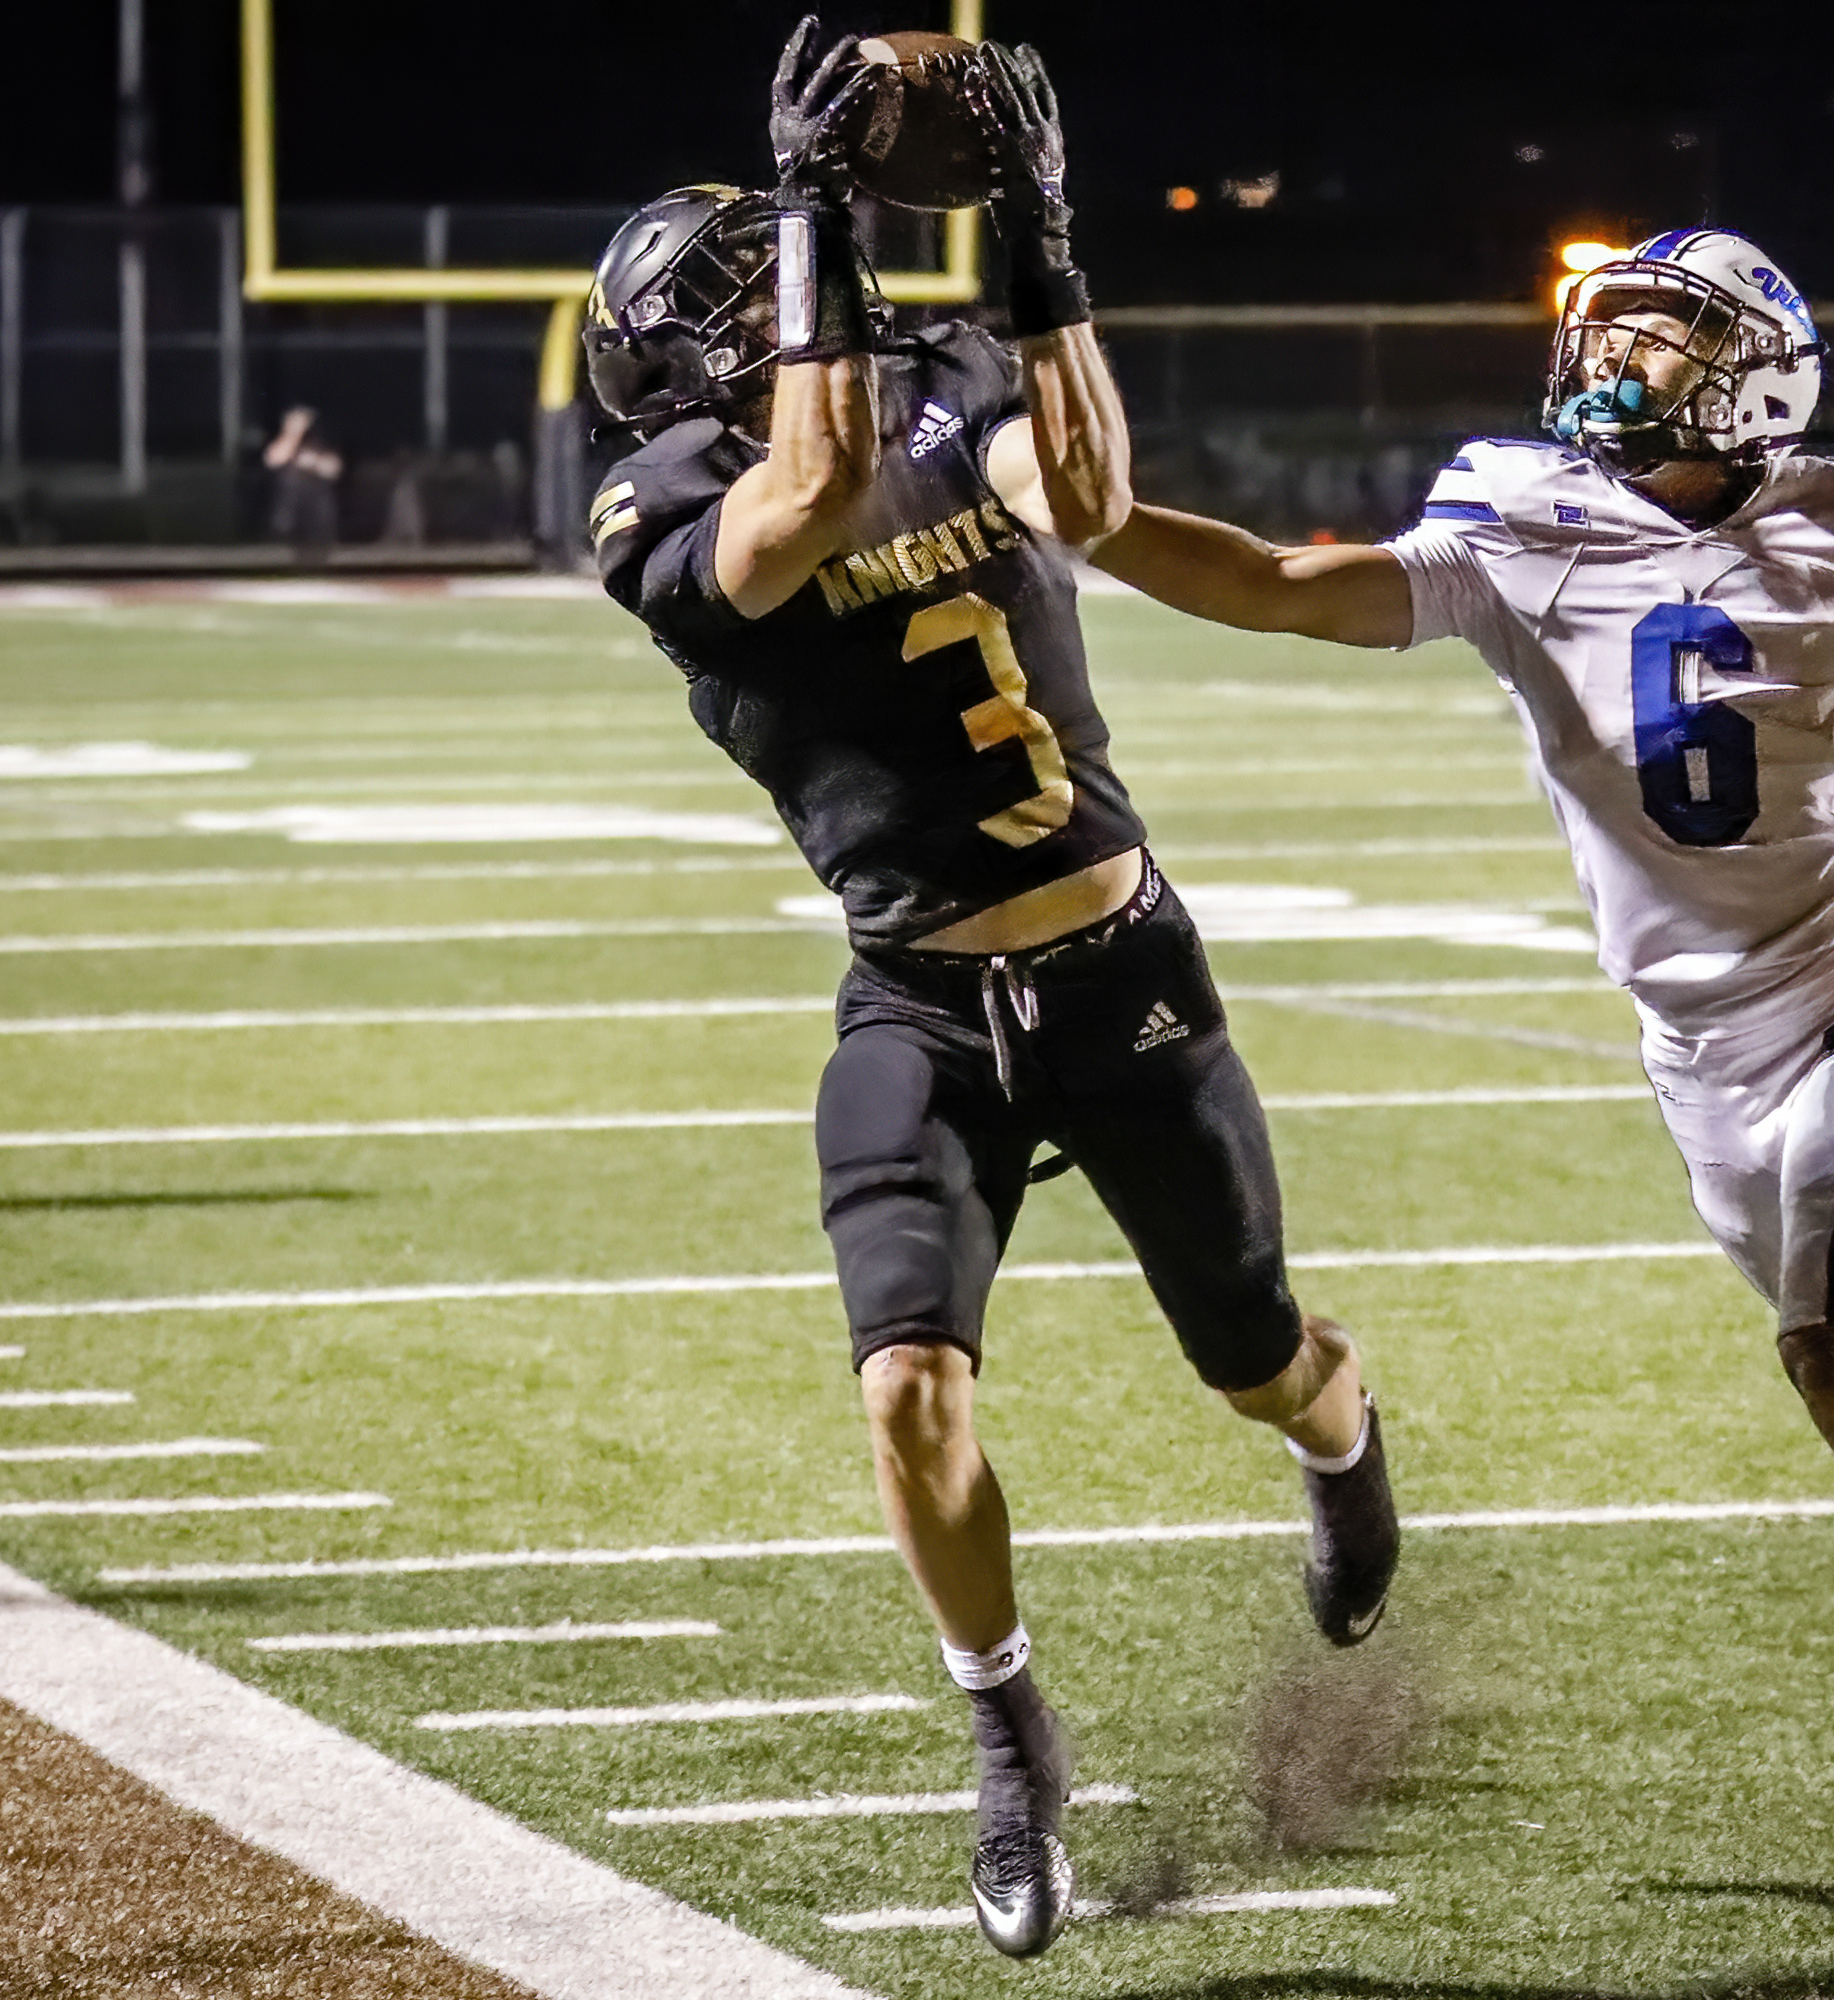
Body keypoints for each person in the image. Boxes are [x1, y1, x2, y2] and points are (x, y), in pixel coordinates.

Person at [1089, 228, 1834, 1913]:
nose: (1611, 361)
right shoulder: (1514, 523)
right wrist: (1084, 521)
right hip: (1695, 1059)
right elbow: (1267, 583)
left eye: (1659, 338)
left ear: (1756, 375)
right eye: (1605, 330)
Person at [575, 27, 1397, 1959]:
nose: (762, 310)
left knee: (1257, 1353)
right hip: (920, 1008)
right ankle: (1008, 1727)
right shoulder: (660, 504)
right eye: (729, 294)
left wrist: (1040, 231)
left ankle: (1342, 1448)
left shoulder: (944, 378)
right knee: (910, 1396)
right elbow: (812, 487)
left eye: (762, 271)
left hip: (1123, 974)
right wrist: (803, 213)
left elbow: (1095, 500)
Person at [263, 406, 343, 561]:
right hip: (289, 511)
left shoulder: (321, 444)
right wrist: (293, 434)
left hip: (317, 512)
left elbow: (334, 469)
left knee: (317, 554)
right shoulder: (282, 441)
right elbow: (274, 459)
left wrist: (314, 463)